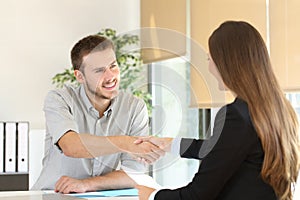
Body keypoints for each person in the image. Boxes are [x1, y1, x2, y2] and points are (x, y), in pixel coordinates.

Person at [135, 21, 300, 200]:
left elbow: (198, 195)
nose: (209, 67)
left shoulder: (236, 115)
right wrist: (170, 144)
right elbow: (227, 150)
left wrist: (151, 195)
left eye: (209, 59)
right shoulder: (278, 109)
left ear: (226, 62)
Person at [32, 35, 162, 193]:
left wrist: (87, 184)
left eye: (113, 66)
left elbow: (134, 173)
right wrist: (127, 143)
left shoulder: (134, 107)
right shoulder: (59, 99)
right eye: (99, 70)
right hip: (53, 194)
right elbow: (71, 146)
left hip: (97, 195)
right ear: (80, 76)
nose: (110, 77)